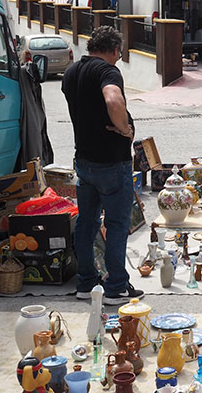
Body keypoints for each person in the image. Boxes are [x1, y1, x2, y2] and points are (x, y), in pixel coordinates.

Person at [62, 26, 143, 304]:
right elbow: (112, 99)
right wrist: (125, 129)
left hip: (84, 159)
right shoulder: (107, 71)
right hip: (110, 161)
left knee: (86, 222)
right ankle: (116, 287)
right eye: (119, 53)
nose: (119, 58)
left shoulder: (71, 72)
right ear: (112, 49)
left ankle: (85, 283)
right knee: (118, 223)